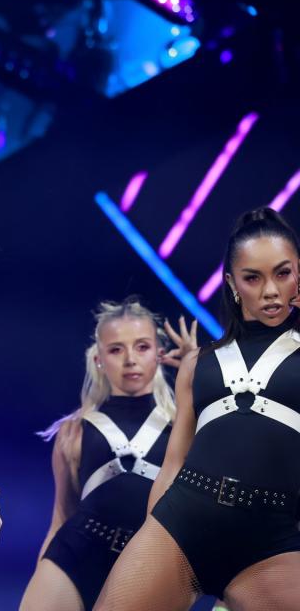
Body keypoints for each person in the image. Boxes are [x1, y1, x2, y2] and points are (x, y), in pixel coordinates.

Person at [96, 208, 300, 610]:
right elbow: (173, 464)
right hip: (182, 523)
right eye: (253, 278)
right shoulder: (198, 362)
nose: (271, 291)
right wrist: (149, 534)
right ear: (232, 283)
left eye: (283, 273)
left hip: (271, 540)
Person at [20, 299, 197, 610]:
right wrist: (40, 569)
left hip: (150, 560)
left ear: (159, 353)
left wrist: (196, 373)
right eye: (116, 350)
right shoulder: (73, 431)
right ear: (99, 359)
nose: (130, 359)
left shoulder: (183, 425)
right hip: (77, 550)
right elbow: (61, 515)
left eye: (142, 347)